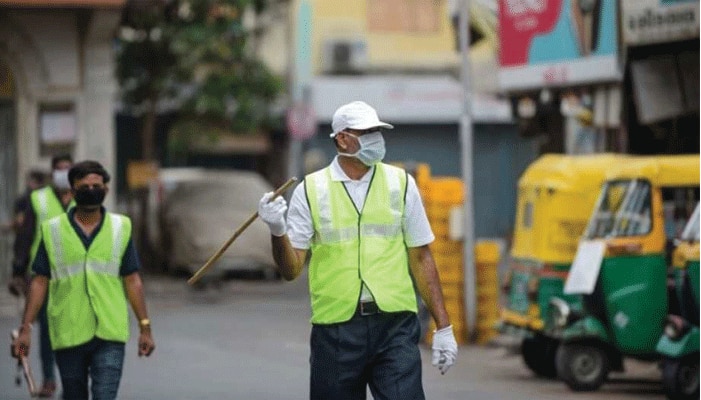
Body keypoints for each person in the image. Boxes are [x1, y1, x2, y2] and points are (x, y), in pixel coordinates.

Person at [258, 101, 458, 399]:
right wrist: (277, 231)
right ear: (342, 138)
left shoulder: (401, 184)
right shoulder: (311, 191)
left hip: (395, 327)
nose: (376, 138)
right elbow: (291, 270)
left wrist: (443, 327)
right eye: (367, 132)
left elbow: (421, 256)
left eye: (377, 131)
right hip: (336, 330)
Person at [12, 160, 156, 400]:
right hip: (69, 332)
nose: (91, 191)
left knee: (104, 395)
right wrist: (26, 328)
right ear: (72, 190)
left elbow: (133, 280)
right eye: (84, 187)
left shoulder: (121, 227)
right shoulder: (53, 230)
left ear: (106, 190)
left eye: (96, 186)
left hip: (110, 333)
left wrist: (145, 328)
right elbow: (39, 282)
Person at [8, 155, 73, 398]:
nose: (63, 173)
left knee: (71, 331)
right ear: (52, 172)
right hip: (43, 275)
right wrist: (17, 270)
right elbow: (25, 237)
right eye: (59, 169)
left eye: (68, 169)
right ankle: (49, 379)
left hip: (73, 277)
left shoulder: (83, 198)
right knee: (47, 331)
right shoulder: (38, 199)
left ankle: (70, 379)